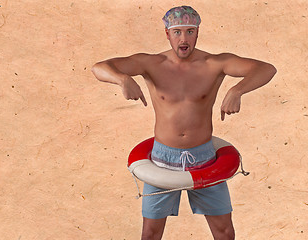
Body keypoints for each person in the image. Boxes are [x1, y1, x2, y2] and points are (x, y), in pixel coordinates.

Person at [91, 6, 276, 240]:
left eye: (190, 31)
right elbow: (99, 67)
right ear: (167, 34)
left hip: (205, 158)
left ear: (198, 32)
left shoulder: (215, 64)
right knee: (150, 234)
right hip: (162, 159)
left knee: (224, 232)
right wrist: (123, 79)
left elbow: (266, 69)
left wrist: (237, 90)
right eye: (177, 32)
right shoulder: (150, 63)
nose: (184, 38)